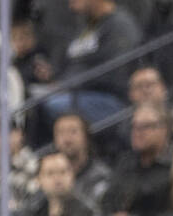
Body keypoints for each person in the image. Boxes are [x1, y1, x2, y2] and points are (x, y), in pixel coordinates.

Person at [41, 0, 143, 128]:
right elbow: (72, 63)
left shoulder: (120, 25)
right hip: (74, 94)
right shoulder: (85, 27)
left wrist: (69, 84)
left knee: (46, 106)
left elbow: (115, 73)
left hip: (107, 99)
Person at [52, 111, 112, 205]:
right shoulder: (48, 174)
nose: (67, 139)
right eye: (61, 132)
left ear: (86, 137)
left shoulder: (101, 176)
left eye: (73, 131)